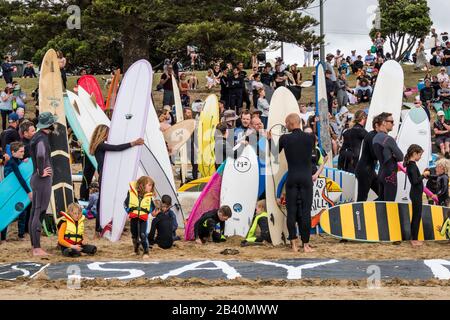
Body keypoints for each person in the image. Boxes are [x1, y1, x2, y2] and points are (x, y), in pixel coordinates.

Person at [269, 113, 315, 253]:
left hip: (292, 177)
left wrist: (270, 140)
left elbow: (274, 153)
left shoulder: (285, 138)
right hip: (306, 178)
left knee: (291, 212)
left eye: (286, 124)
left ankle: (294, 244)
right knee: (306, 212)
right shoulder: (310, 137)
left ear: (290, 123)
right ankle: (306, 245)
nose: (286, 126)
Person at [89, 124, 144, 233]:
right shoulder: (100, 145)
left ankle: (103, 224)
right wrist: (133, 143)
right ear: (103, 134)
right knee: (103, 201)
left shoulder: (100, 146)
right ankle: (99, 226)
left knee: (105, 200)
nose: (109, 136)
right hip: (105, 177)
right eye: (108, 133)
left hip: (105, 176)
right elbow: (117, 148)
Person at [29, 112, 57, 256]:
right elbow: (40, 154)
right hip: (41, 180)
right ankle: (37, 248)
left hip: (36, 179)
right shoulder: (42, 139)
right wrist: (41, 172)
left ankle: (34, 245)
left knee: (35, 211)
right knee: (39, 212)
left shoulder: (37, 136)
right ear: (49, 124)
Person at [0, 142, 31, 241]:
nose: (23, 153)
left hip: (15, 191)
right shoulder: (12, 163)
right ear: (13, 152)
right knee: (7, 213)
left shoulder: (16, 161)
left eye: (23, 151)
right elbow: (19, 177)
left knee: (22, 211)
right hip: (9, 192)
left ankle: (20, 235)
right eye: (21, 151)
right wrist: (28, 191)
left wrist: (23, 161)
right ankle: (4, 237)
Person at [373, 113, 404, 201]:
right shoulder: (388, 139)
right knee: (389, 204)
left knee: (381, 202)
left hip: (381, 173)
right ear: (383, 123)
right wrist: (393, 154)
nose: (393, 124)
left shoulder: (375, 138)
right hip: (390, 175)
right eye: (391, 121)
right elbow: (401, 156)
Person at [404, 144, 431, 247]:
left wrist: (423, 175)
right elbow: (415, 181)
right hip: (415, 194)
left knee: (416, 216)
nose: (420, 157)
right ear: (414, 154)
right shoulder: (412, 166)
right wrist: (423, 175)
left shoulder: (412, 165)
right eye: (420, 155)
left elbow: (416, 179)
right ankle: (414, 239)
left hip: (416, 193)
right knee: (416, 216)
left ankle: (413, 237)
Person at [124, 176, 155, 258]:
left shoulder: (149, 197)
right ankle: (136, 250)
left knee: (143, 234)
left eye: (151, 185)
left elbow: (152, 207)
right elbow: (125, 204)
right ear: (142, 185)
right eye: (149, 185)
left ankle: (146, 252)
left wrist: (149, 212)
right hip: (133, 217)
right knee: (134, 234)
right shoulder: (131, 194)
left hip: (143, 219)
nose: (151, 187)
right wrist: (128, 212)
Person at [355, 115, 383, 201]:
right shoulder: (372, 136)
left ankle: (370, 208)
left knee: (383, 194)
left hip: (370, 170)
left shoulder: (376, 135)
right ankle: (359, 213)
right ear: (376, 125)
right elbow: (374, 154)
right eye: (383, 124)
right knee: (362, 198)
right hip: (364, 170)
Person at [184, 108, 198, 180]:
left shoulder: (194, 122)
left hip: (192, 145)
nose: (190, 114)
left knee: (195, 164)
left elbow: (196, 133)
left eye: (190, 112)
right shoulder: (182, 122)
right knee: (183, 163)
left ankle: (195, 178)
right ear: (185, 114)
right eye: (188, 113)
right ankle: (183, 177)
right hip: (185, 145)